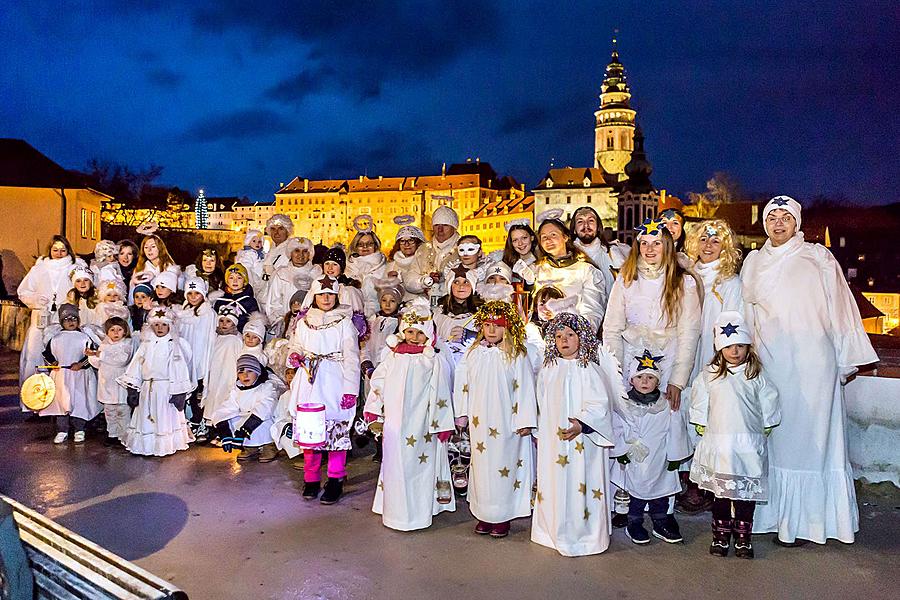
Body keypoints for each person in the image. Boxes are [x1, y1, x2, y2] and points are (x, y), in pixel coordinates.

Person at [741, 196, 877, 545]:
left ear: (797, 222)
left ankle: (810, 522)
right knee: (777, 441)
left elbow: (842, 307)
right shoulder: (754, 262)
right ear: (764, 223)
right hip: (771, 363)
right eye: (773, 217)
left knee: (813, 443)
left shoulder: (818, 257)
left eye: (786, 217)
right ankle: (775, 517)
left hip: (815, 365)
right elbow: (747, 314)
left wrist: (847, 356)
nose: (779, 223)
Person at [690, 311, 781, 559]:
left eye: (740, 346)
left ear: (748, 347)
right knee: (721, 494)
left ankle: (743, 537)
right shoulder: (709, 374)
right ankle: (720, 535)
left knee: (744, 494)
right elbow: (699, 397)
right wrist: (700, 421)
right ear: (720, 348)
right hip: (720, 443)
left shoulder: (755, 375)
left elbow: (769, 398)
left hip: (746, 445)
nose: (735, 351)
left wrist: (768, 423)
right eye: (729, 346)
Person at [531, 311, 619, 557]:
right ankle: (551, 530)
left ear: (582, 338)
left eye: (570, 334)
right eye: (558, 336)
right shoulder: (548, 370)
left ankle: (586, 536)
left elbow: (601, 404)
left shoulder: (589, 369)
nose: (564, 340)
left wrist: (583, 423)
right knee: (555, 483)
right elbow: (542, 402)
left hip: (583, 443)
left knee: (583, 483)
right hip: (555, 443)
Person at [365, 298, 456, 530]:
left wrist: (442, 422)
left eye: (419, 333)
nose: (414, 337)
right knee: (395, 465)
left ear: (428, 335)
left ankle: (418, 512)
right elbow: (379, 383)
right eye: (410, 331)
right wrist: (375, 412)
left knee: (420, 468)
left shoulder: (431, 360)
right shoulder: (393, 356)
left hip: (422, 425)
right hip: (395, 424)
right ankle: (395, 511)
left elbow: (441, 390)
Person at [453, 292, 537, 538]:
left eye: (496, 326)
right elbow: (463, 383)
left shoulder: (516, 355)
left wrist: (525, 420)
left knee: (504, 466)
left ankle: (502, 516)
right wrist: (462, 413)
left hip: (506, 423)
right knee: (481, 468)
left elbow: (525, 388)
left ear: (506, 328)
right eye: (487, 325)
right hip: (480, 423)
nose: (491, 330)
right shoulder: (474, 353)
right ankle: (484, 514)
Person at [678, 219, 745, 513]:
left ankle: (703, 485)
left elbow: (734, 323)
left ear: (725, 247)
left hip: (711, 354)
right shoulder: (685, 277)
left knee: (709, 416)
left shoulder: (730, 282)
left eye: (715, 241)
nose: (708, 246)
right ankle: (683, 475)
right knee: (682, 412)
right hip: (685, 352)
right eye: (703, 240)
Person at [288, 277, 361, 504]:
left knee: (335, 433)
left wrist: (351, 389)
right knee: (312, 433)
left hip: (334, 381)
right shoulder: (304, 322)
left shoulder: (344, 323)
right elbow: (297, 344)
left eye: (330, 294)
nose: (326, 298)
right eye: (321, 294)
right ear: (314, 296)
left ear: (337, 296)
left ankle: (336, 478)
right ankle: (311, 478)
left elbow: (351, 358)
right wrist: (294, 355)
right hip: (309, 381)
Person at [611, 349, 691, 545]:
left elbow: (676, 430)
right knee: (635, 492)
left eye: (650, 377)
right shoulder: (624, 404)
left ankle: (661, 521)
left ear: (658, 381)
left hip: (659, 458)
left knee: (660, 491)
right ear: (631, 381)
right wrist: (621, 451)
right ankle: (634, 523)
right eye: (639, 377)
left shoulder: (666, 405)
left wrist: (675, 456)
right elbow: (617, 428)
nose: (645, 381)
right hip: (634, 459)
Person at [118, 306, 194, 456]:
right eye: (156, 325)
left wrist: (179, 393)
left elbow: (179, 369)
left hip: (166, 389)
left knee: (164, 417)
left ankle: (163, 446)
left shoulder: (174, 345)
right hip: (147, 387)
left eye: (164, 325)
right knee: (146, 417)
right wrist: (132, 389)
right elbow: (137, 365)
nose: (160, 328)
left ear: (170, 326)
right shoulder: (146, 344)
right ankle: (147, 446)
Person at [17, 236, 86, 391]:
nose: (59, 253)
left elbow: (84, 286)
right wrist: (35, 300)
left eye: (63, 250)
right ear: (50, 250)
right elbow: (23, 291)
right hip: (41, 319)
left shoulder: (74, 268)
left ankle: (62, 397)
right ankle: (34, 398)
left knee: (61, 356)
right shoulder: (39, 269)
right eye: (55, 250)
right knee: (36, 355)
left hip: (64, 319)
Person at [527, 211, 606, 330]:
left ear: (565, 237)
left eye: (553, 235)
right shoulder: (535, 270)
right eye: (544, 237)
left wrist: (575, 334)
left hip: (572, 338)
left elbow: (592, 312)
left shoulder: (587, 270)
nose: (548, 240)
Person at [40, 303, 100, 444]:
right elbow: (47, 355)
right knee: (61, 402)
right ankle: (62, 430)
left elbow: (91, 355)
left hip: (79, 376)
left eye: (74, 318)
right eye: (67, 319)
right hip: (61, 376)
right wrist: (52, 364)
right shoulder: (55, 338)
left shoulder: (84, 338)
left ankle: (80, 429)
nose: (71, 321)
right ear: (61, 322)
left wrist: (81, 364)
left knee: (79, 402)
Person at [211, 354, 279, 463]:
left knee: (262, 420)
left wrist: (245, 429)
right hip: (246, 421)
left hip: (262, 420)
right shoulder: (236, 389)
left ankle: (269, 445)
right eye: (241, 372)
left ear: (257, 372)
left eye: (250, 371)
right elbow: (227, 408)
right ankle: (250, 446)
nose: (245, 376)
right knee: (231, 418)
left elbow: (265, 408)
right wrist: (225, 433)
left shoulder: (266, 387)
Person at [175, 276, 217, 440]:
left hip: (200, 361)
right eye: (190, 293)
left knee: (199, 394)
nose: (193, 297)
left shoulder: (208, 314)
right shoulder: (182, 314)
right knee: (189, 394)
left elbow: (209, 339)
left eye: (197, 293)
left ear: (203, 294)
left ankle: (200, 422)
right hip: (187, 361)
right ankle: (189, 422)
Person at [85, 316, 134, 446]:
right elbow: (97, 364)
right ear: (107, 332)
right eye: (112, 330)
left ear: (125, 331)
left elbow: (121, 360)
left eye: (119, 329)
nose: (116, 333)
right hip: (107, 384)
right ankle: (112, 434)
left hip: (120, 385)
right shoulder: (104, 345)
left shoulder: (127, 345)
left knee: (122, 411)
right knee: (110, 411)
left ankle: (124, 436)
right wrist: (92, 356)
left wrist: (99, 355)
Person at [203, 311, 245, 441]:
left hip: (228, 375)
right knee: (213, 399)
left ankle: (225, 432)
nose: (224, 324)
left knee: (224, 400)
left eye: (228, 321)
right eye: (222, 321)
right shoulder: (215, 337)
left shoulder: (236, 339)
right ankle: (213, 428)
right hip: (216, 374)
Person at [261, 237, 321, 324]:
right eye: (296, 250)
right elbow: (273, 303)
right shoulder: (281, 274)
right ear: (290, 253)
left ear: (310, 254)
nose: (301, 255)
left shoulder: (317, 273)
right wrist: (282, 323)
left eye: (305, 251)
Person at [570, 206, 624, 302]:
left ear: (598, 227)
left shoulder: (613, 254)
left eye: (590, 221)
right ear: (574, 229)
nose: (586, 225)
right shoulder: (568, 258)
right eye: (580, 222)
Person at [433, 266, 481, 367]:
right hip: (445, 364)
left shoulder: (481, 313)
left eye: (466, 282)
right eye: (456, 282)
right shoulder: (439, 313)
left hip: (471, 364)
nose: (461, 286)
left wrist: (470, 336)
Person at [415, 205, 461, 301]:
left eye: (445, 225)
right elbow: (411, 276)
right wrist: (424, 282)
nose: (440, 230)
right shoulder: (423, 250)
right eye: (436, 225)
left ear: (454, 227)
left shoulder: (464, 249)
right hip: (424, 303)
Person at [345, 217, 388, 317]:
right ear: (355, 246)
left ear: (375, 245)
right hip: (352, 316)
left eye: (369, 244)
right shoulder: (348, 266)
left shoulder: (385, 266)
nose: (365, 247)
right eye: (361, 244)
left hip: (378, 315)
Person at [386, 215, 428, 299]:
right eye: (402, 241)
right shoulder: (391, 266)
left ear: (418, 243)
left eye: (411, 240)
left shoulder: (426, 262)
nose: (407, 244)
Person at [212, 263, 260, 332]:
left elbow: (255, 326)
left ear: (244, 281)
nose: (235, 281)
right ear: (227, 281)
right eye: (231, 277)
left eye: (239, 278)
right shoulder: (220, 300)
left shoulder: (249, 301)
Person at [262, 214, 294, 285]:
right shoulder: (270, 249)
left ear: (287, 231)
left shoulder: (292, 249)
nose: (276, 232)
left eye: (280, 229)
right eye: (273, 229)